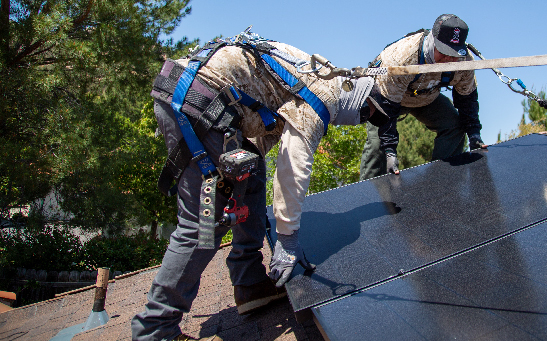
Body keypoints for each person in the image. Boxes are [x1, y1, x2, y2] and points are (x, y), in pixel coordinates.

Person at [131, 31, 388, 341]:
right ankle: (156, 329)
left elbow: (263, 131)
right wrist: (288, 241)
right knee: (203, 222)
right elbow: (292, 170)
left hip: (194, 95)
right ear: (356, 102)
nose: (364, 120)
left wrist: (237, 178)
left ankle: (249, 282)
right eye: (367, 114)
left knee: (249, 171)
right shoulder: (322, 100)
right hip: (197, 103)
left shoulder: (312, 76)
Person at [359, 14, 487, 180]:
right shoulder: (401, 56)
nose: (449, 59)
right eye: (444, 52)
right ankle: (368, 192)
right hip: (386, 98)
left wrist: (474, 134)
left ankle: (440, 182)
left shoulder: (463, 62)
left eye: (454, 53)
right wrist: (390, 151)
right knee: (379, 146)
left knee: (454, 125)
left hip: (426, 96)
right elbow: (387, 107)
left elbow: (467, 98)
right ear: (433, 41)